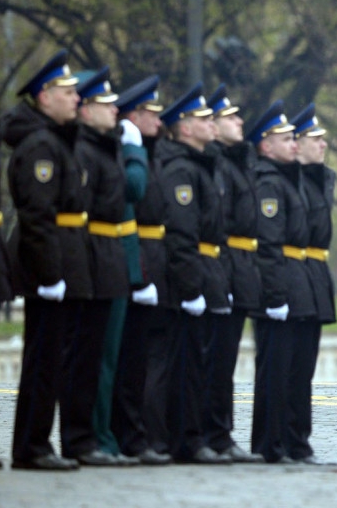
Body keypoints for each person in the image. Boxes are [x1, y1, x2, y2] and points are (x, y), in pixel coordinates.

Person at [2, 50, 86, 471]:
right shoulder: (40, 145)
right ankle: (31, 446)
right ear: (44, 96)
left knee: (51, 360)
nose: (76, 99)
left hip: (61, 261)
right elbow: (37, 217)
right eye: (67, 92)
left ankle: (34, 443)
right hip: (46, 266)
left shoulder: (54, 140)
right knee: (43, 361)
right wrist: (50, 275)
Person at [70, 68, 143, 467]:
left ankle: (101, 436)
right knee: (89, 359)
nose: (114, 108)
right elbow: (128, 191)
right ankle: (90, 438)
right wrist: (135, 155)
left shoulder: (104, 145)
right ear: (84, 108)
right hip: (92, 256)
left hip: (108, 256)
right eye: (104, 102)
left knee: (106, 359)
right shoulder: (87, 149)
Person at [157, 83, 231, 464]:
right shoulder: (182, 170)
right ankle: (186, 439)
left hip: (207, 270)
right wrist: (191, 287)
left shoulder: (201, 165)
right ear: (184, 128)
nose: (211, 124)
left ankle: (196, 436)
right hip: (193, 274)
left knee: (203, 364)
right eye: (203, 119)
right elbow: (182, 234)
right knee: (187, 366)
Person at [110, 75, 173, 465]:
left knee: (140, 360)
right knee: (130, 359)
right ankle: (129, 435)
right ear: (133, 115)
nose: (159, 119)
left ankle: (140, 435)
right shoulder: (131, 150)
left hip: (151, 257)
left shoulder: (152, 151)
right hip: (137, 257)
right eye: (151, 112)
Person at [249, 100, 315, 464]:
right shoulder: (268, 183)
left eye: (294, 137)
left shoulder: (289, 179)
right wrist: (274, 295)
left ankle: (293, 442)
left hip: (297, 282)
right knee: (275, 372)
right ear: (265, 145)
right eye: (284, 138)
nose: (293, 143)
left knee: (296, 371)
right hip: (278, 287)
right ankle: (270, 444)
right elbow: (269, 245)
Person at [201, 85, 264, 463]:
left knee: (224, 362)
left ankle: (220, 434)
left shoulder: (236, 161)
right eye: (230, 117)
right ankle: (209, 434)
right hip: (220, 268)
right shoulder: (217, 163)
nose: (240, 121)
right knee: (212, 360)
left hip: (238, 269)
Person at [287, 103, 336, 465]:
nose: (323, 145)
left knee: (304, 370)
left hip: (314, 276)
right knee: (284, 369)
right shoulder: (289, 181)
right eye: (314, 139)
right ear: (296, 143)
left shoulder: (321, 178)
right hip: (291, 277)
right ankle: (281, 441)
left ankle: (299, 442)